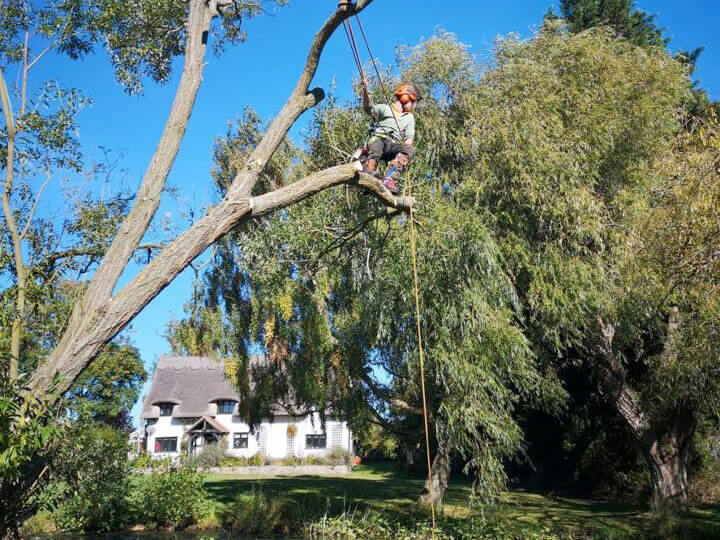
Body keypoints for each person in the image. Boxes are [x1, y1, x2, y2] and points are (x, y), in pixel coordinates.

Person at [360, 81, 420, 195]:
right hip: (379, 139)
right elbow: (368, 109)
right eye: (412, 102)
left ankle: (390, 179)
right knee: (377, 145)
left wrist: (403, 154)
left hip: (392, 145)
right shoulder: (385, 108)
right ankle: (369, 171)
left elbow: (409, 139)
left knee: (410, 149)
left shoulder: (409, 117)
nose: (413, 106)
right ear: (405, 98)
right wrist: (365, 91)